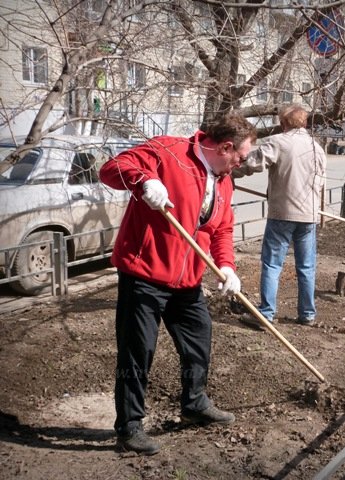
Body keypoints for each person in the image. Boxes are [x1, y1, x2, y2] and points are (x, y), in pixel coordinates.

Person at [99, 113, 257, 455]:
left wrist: (227, 267)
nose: (241, 165)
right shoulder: (168, 152)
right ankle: (129, 428)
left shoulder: (223, 179)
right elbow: (110, 169)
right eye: (241, 157)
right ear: (225, 147)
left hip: (187, 281)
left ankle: (194, 402)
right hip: (144, 275)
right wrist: (143, 180)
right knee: (137, 352)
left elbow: (222, 229)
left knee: (199, 338)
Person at [233, 104, 327, 329]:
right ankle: (307, 314)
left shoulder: (279, 142)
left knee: (272, 264)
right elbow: (322, 183)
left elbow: (253, 163)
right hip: (308, 216)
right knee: (306, 267)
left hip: (282, 214)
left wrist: (227, 171)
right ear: (304, 123)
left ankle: (266, 314)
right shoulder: (317, 148)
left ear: (284, 123)